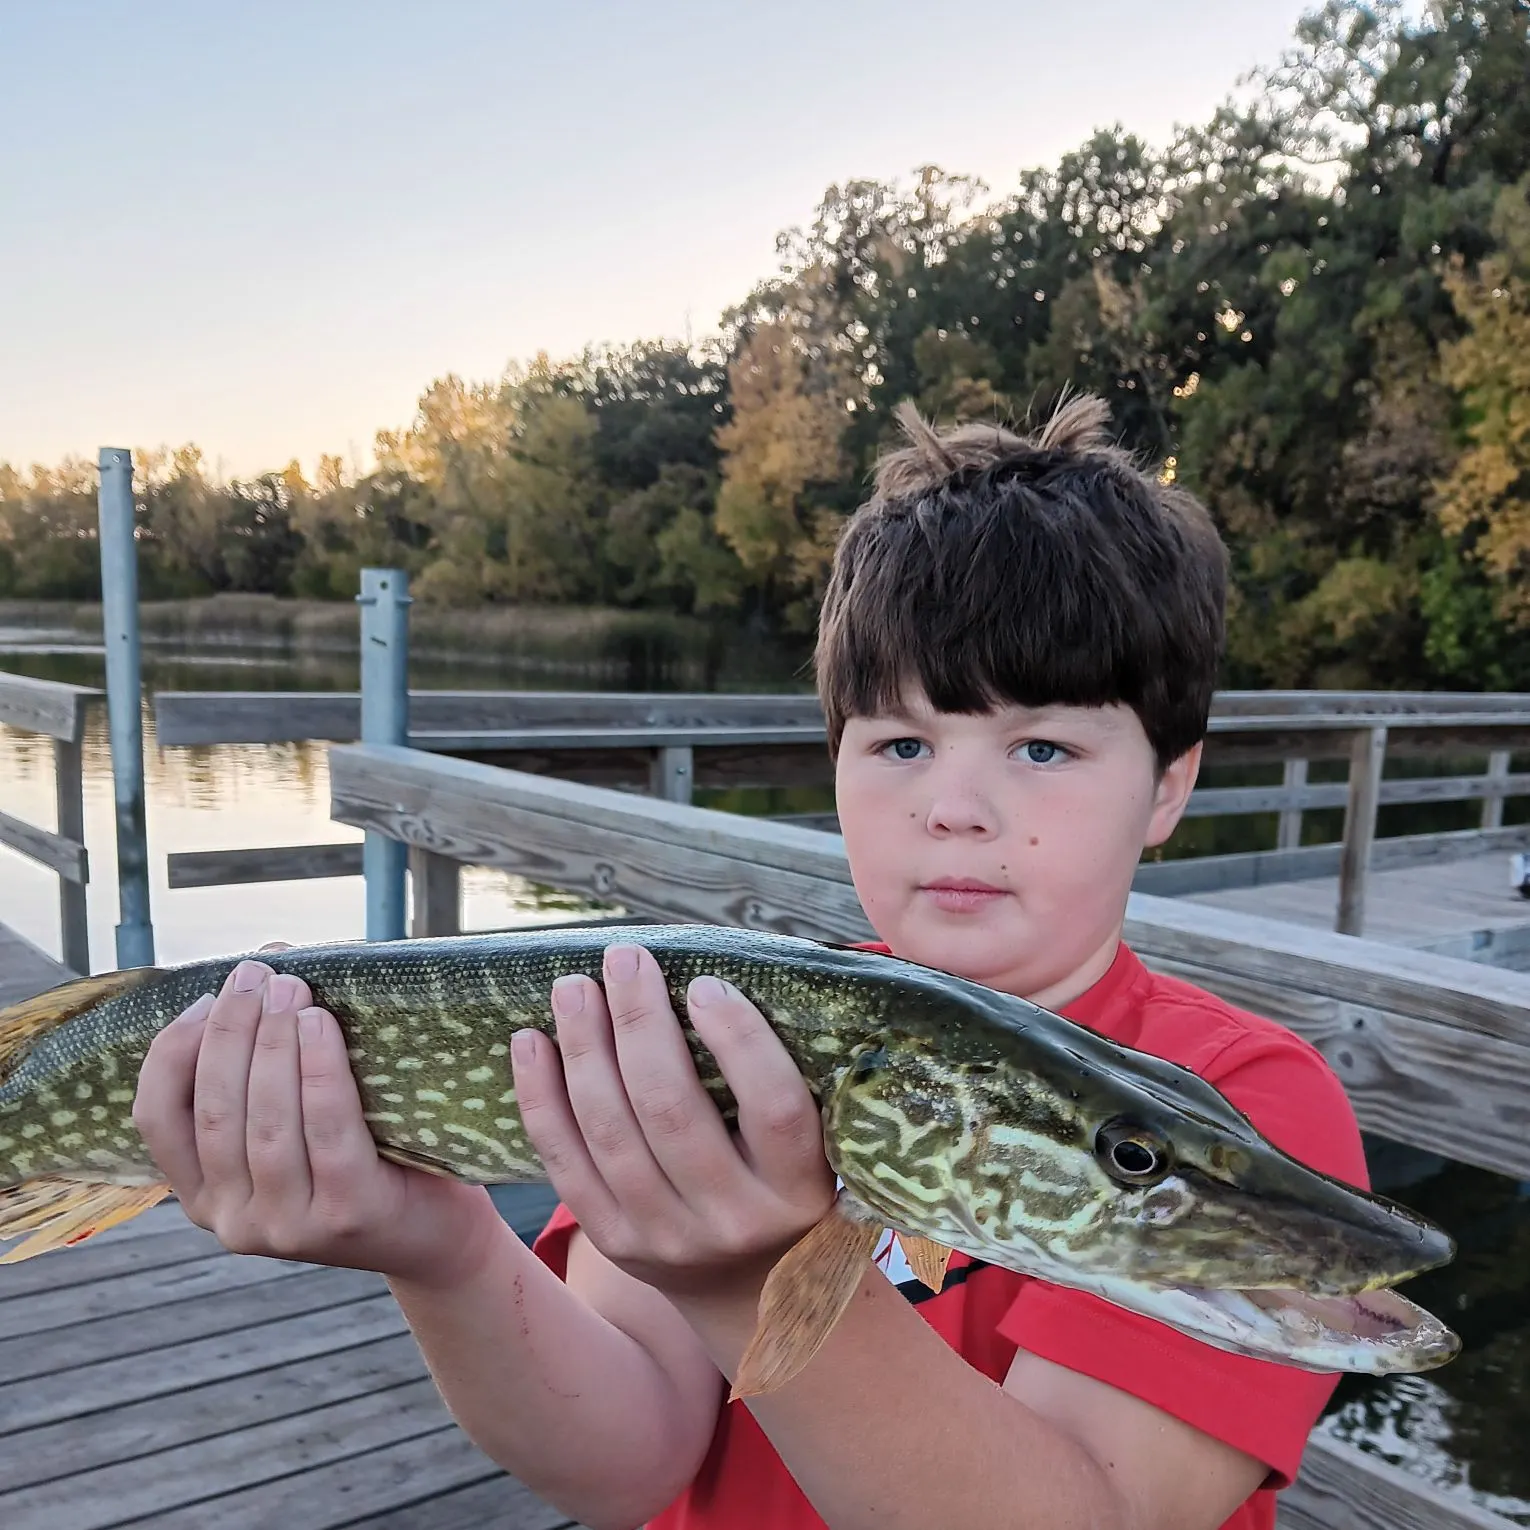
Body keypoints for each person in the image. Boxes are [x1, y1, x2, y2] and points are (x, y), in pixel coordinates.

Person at [134, 393, 1368, 1530]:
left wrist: (746, 1274)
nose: (955, 807)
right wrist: (443, 1249)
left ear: (1169, 786)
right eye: (899, 745)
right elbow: (627, 1464)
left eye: (1041, 749)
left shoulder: (1231, 1124)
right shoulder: (718, 1032)